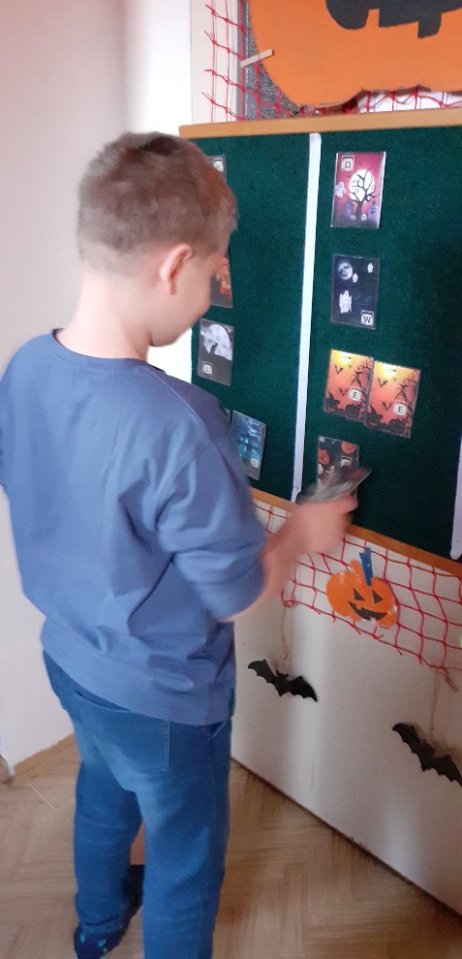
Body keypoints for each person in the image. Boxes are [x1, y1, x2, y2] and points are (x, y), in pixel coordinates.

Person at [0, 132, 355, 959]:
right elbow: (236, 594)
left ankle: (96, 928)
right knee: (185, 858)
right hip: (164, 698)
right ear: (173, 266)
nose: (210, 297)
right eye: (212, 276)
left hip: (72, 661)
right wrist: (301, 532)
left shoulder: (24, 368)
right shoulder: (181, 423)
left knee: (101, 789)